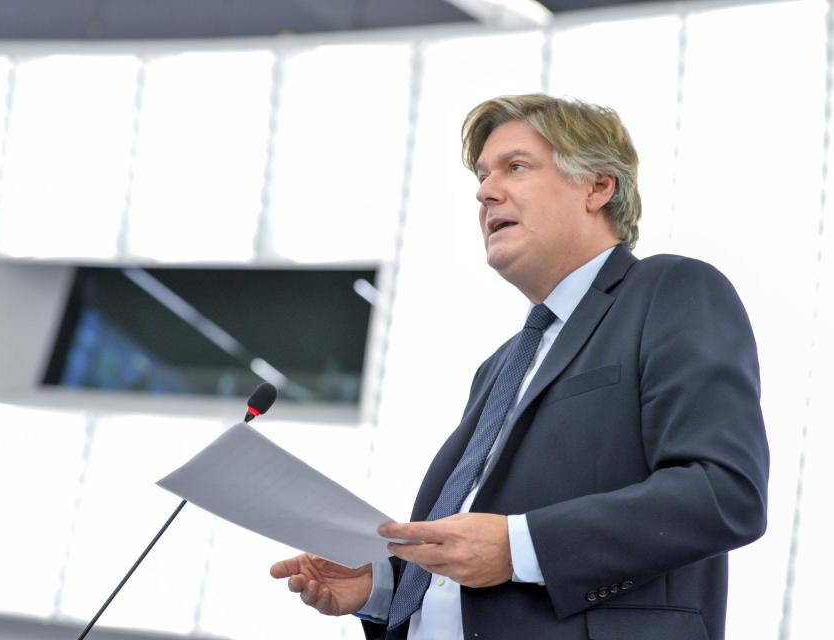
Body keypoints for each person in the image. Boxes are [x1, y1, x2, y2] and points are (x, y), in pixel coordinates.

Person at [270, 94, 769, 640]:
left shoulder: (670, 291)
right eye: (482, 176)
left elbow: (726, 492)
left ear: (598, 187)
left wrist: (519, 548)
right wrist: (387, 588)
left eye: (516, 167)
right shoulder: (500, 366)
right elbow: (479, 537)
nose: (485, 192)